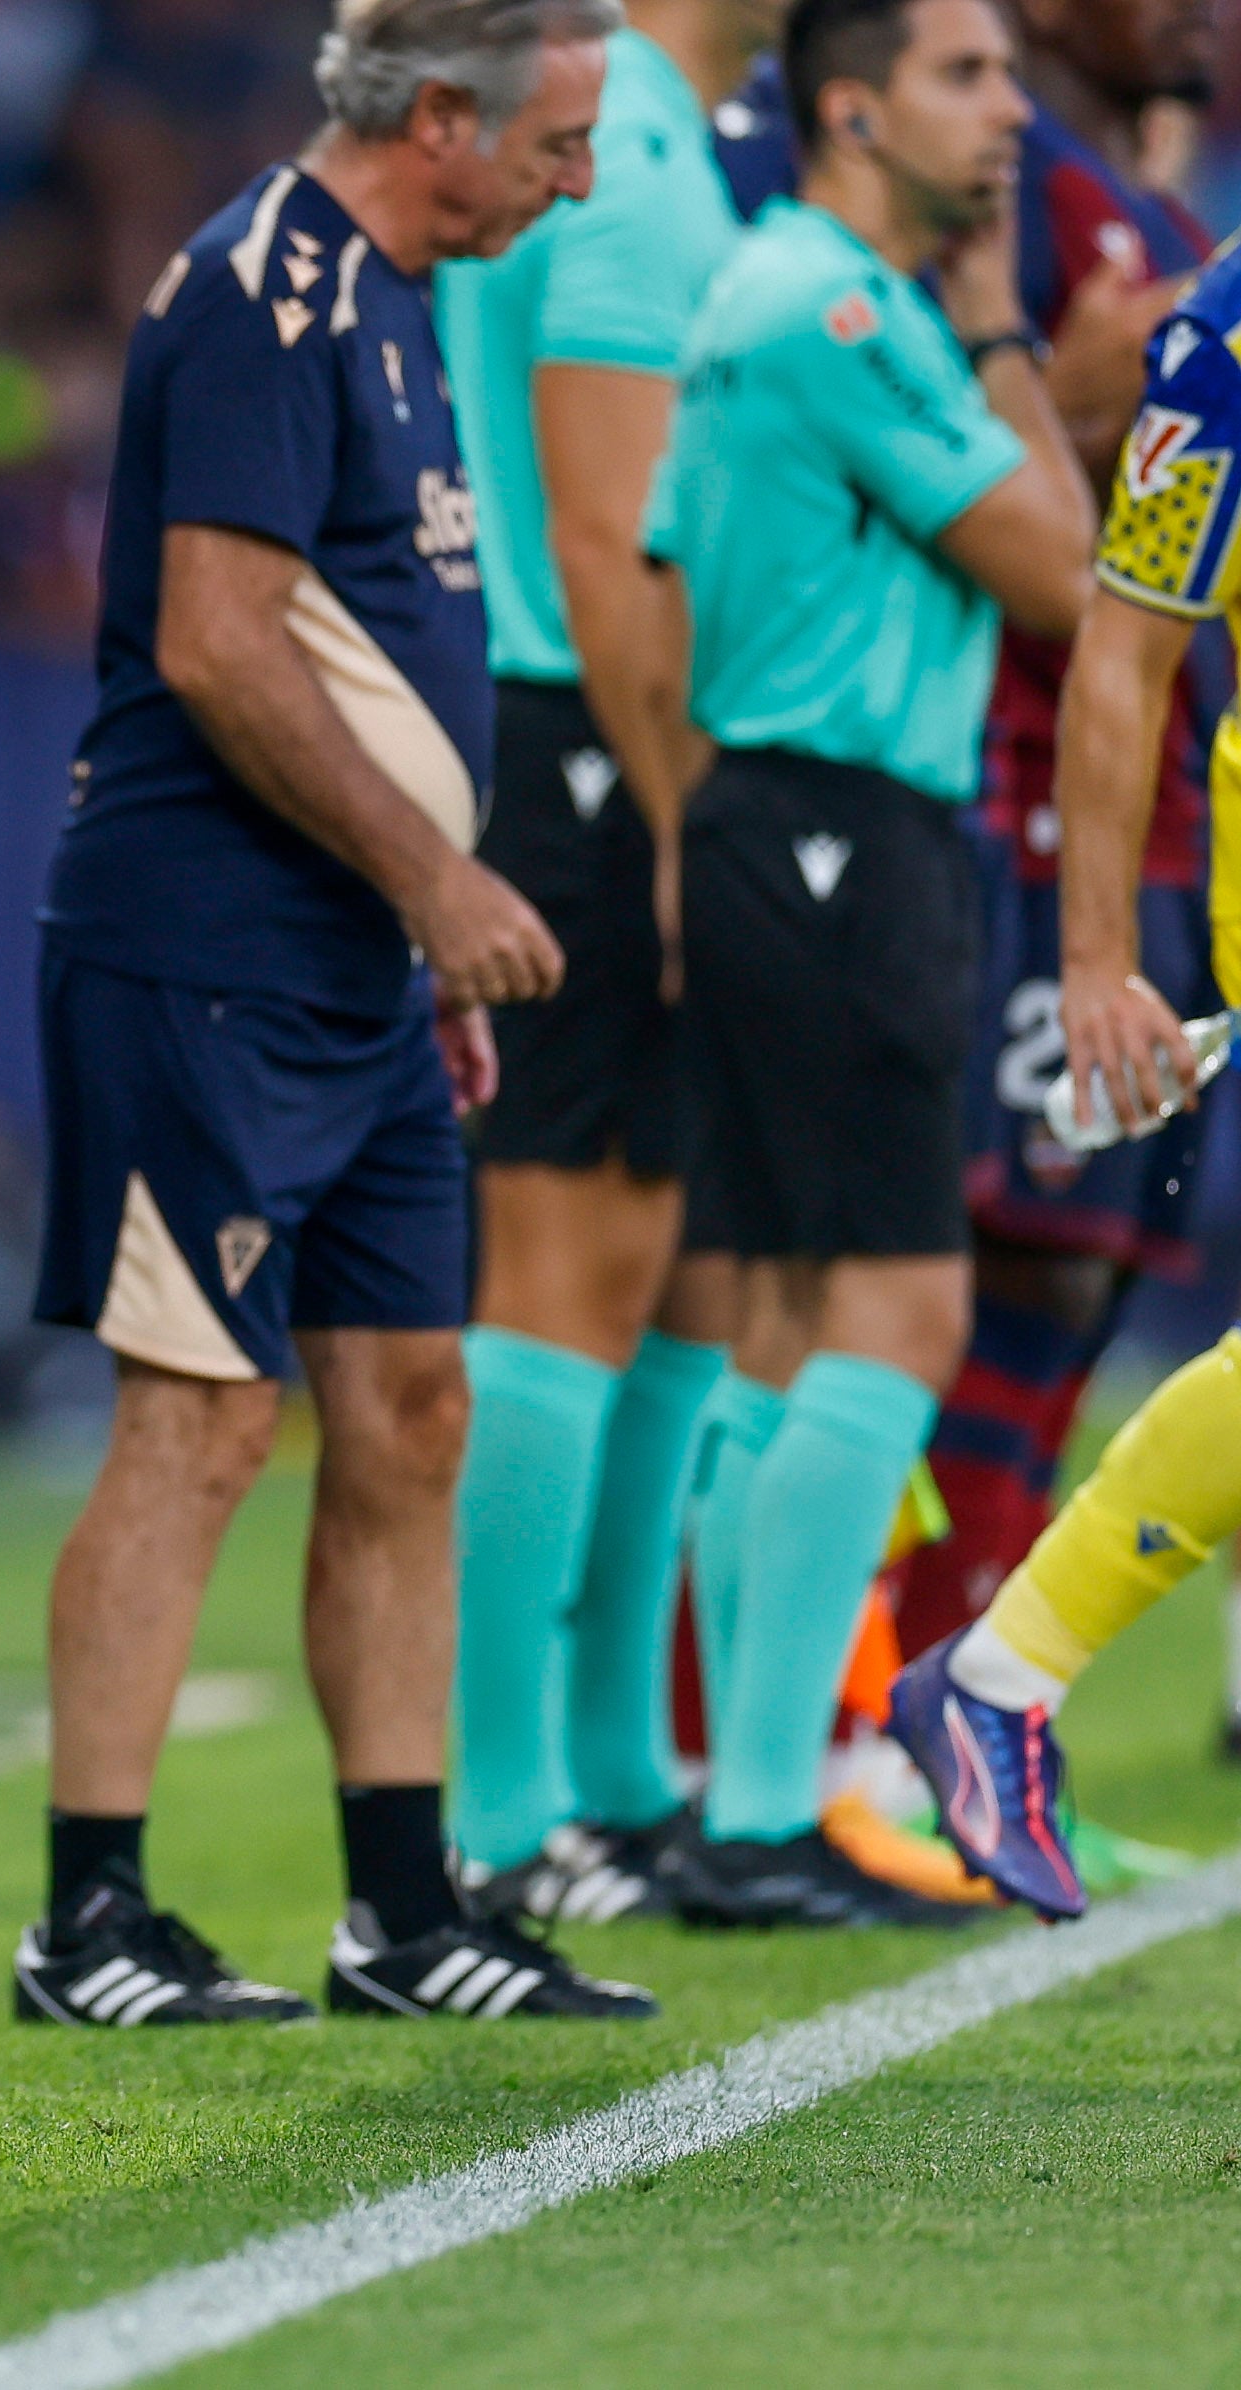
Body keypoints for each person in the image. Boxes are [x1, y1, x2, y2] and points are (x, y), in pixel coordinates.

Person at [21, 0, 657, 2031]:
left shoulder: (393, 288)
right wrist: (433, 881)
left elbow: (345, 645)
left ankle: (403, 1908)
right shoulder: (259, 292)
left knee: (411, 1411)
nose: (574, 184)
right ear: (442, 115)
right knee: (200, 1416)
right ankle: (87, 1921)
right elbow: (215, 643)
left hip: (350, 975)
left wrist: (404, 944)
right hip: (205, 954)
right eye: (556, 142)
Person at [641, 0, 1092, 1926]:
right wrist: (998, 324)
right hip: (844, 831)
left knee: (776, 1324)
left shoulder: (788, 295)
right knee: (897, 1317)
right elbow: (1077, 573)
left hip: (788, 829)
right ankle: (760, 1813)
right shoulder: (831, 311)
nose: (1005, 113)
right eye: (964, 76)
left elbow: (670, 579)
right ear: (849, 106)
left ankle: (761, 1796)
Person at [430, 0, 774, 1926]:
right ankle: (502, 1809)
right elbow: (602, 520)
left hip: (593, 723)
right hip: (577, 730)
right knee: (566, 1263)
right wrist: (674, 822)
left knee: (661, 1258)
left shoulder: (655, 127)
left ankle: (613, 1776)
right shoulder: (625, 141)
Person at [889, 198, 1241, 1916]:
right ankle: (999, 1678)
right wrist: (1099, 959)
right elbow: (1126, 644)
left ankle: (998, 1678)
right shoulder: (1225, 344)